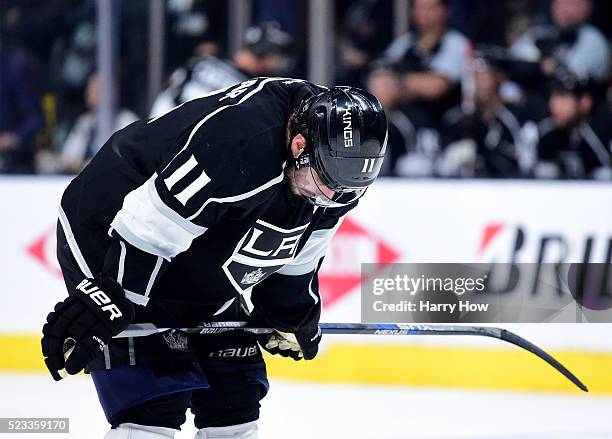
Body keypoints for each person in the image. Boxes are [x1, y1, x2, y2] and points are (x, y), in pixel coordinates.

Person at [41, 77, 388, 438]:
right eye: (324, 185)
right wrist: (110, 299)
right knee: (152, 409)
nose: (332, 198)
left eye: (348, 191)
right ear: (298, 144)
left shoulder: (338, 165)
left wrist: (290, 310)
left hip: (202, 241)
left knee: (233, 405)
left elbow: (302, 241)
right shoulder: (238, 141)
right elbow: (149, 224)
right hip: (114, 230)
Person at [367, 0, 468, 177]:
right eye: (419, 8)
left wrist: (399, 84)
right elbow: (379, 80)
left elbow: (438, 86)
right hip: (404, 126)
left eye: (430, 8)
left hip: (441, 130)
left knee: (415, 167)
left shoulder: (455, 44)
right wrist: (406, 85)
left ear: (445, 11)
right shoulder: (404, 45)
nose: (423, 13)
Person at [150, 22, 293, 118]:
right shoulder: (250, 90)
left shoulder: (202, 62)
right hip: (180, 144)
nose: (279, 64)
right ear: (265, 55)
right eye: (277, 56)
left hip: (156, 128)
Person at [439, 46, 542, 178]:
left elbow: (529, 167)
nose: (475, 81)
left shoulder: (516, 120)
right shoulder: (454, 120)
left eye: (482, 74)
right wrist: (452, 158)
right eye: (472, 75)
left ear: (500, 77)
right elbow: (439, 168)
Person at [510, 0, 610, 91]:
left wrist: (546, 68)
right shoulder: (542, 32)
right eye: (559, 2)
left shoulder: (594, 40)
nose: (563, 9)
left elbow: (572, 78)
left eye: (571, 3)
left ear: (587, 8)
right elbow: (512, 60)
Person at [532, 70, 612, 180]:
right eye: (553, 96)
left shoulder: (602, 134)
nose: (553, 105)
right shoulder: (546, 132)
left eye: (563, 97)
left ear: (585, 102)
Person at [58, 72, 138, 173]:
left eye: (95, 89)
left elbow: (132, 162)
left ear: (110, 92)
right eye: (89, 88)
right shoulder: (85, 122)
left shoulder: (127, 121)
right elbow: (69, 157)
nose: (88, 92)